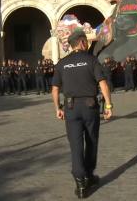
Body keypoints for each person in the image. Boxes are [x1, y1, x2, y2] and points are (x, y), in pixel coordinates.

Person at [52, 28, 112, 199]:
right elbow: (103, 84)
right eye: (86, 41)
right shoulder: (91, 60)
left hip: (70, 109)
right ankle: (89, 175)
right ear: (81, 42)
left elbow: (55, 89)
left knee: (76, 145)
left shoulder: (62, 63)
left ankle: (80, 183)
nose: (87, 43)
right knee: (91, 141)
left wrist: (58, 108)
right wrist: (108, 105)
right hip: (90, 107)